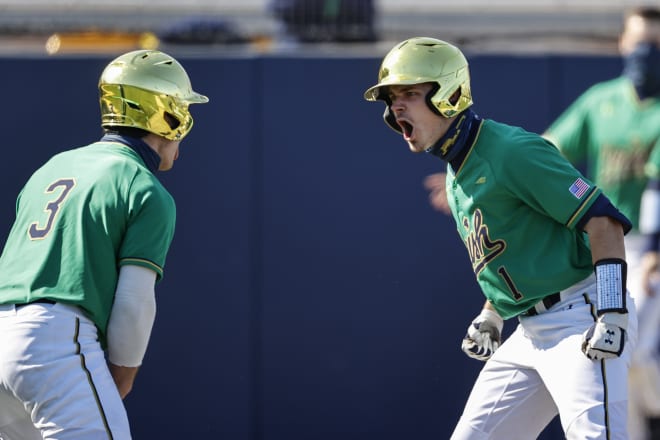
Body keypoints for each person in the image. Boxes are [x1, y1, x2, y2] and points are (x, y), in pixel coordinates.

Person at [364, 37, 638, 438]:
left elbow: (604, 223)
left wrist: (611, 310)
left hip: (582, 317)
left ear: (449, 94)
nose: (396, 107)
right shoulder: (457, 171)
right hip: (530, 331)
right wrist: (493, 314)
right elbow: (515, 259)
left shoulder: (512, 150)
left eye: (409, 93)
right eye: (391, 99)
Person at [0, 49, 208, 438]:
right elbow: (134, 302)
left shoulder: (52, 167)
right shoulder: (143, 187)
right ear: (168, 114)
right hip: (54, 342)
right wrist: (120, 378)